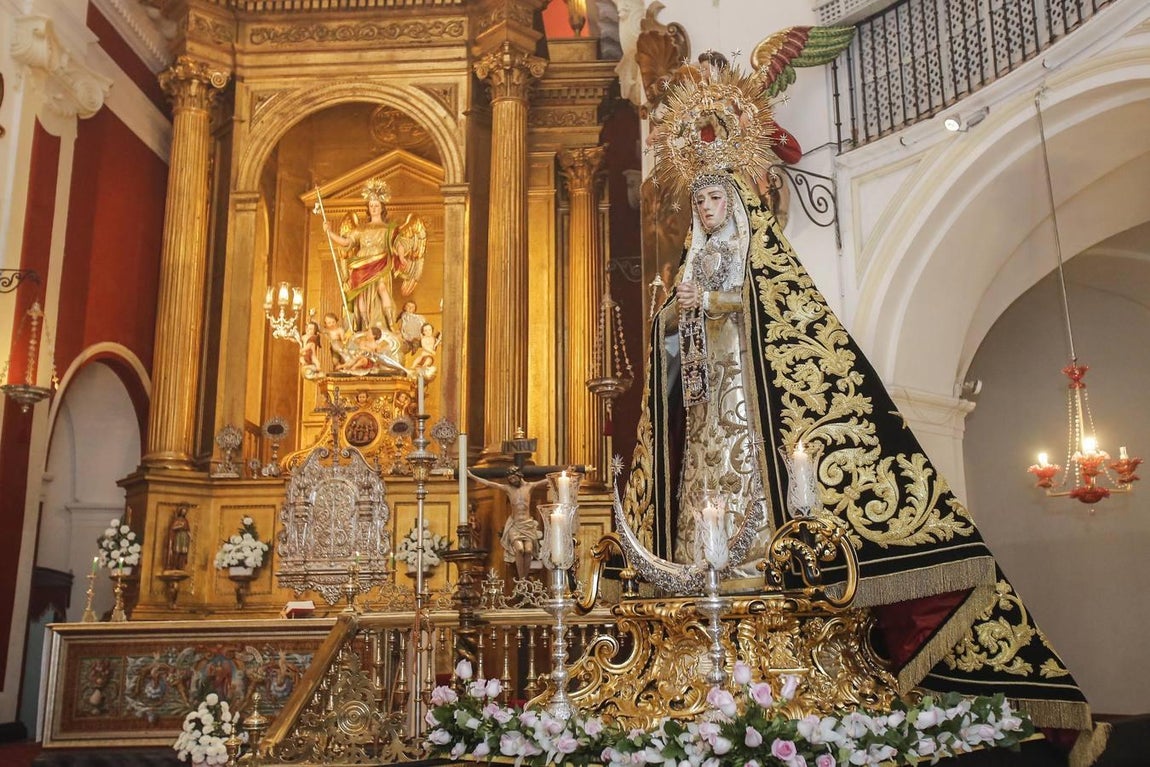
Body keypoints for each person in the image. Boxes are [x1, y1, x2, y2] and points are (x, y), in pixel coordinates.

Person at [622, 60, 1102, 758]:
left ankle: (774, 565)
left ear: (738, 203)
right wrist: (676, 312)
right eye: (699, 205)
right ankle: (706, 569)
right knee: (703, 488)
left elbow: (772, 322)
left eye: (715, 202)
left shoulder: (765, 266)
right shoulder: (691, 265)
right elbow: (672, 338)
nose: (705, 213)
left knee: (766, 491)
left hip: (754, 414)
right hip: (706, 415)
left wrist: (717, 304)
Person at [323, 178, 427, 332]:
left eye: (376, 205)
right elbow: (346, 243)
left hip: (380, 262)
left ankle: (390, 323)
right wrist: (329, 232)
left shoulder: (389, 228)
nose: (374, 208)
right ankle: (365, 325)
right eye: (371, 205)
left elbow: (398, 243)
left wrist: (402, 256)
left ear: (382, 207)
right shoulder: (361, 229)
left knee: (382, 288)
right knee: (361, 296)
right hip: (360, 265)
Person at [467, 469, 548, 579]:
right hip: (515, 525)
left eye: (514, 478)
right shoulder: (508, 489)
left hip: (527, 525)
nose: (512, 481)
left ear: (519, 475)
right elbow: (489, 483)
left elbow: (546, 480)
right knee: (519, 549)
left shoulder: (529, 486)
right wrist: (471, 476)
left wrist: (565, 472)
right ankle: (521, 579)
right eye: (510, 480)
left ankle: (524, 577)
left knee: (528, 550)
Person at [164, 505, 191, 572]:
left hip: (184, 537)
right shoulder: (177, 520)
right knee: (177, 551)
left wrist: (190, 536)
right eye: (183, 511)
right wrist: (179, 526)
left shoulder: (185, 520)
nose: (184, 513)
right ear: (180, 512)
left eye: (185, 512)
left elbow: (188, 530)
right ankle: (174, 565)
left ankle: (180, 566)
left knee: (183, 552)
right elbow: (173, 527)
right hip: (178, 536)